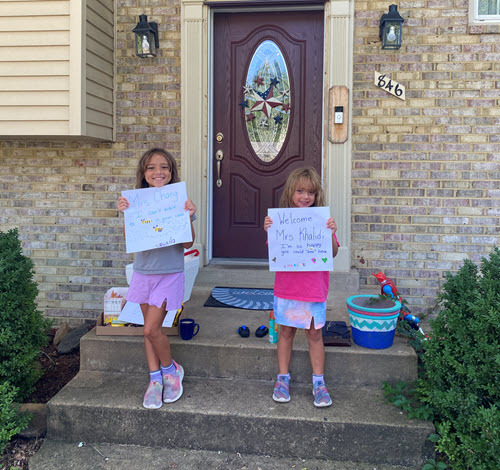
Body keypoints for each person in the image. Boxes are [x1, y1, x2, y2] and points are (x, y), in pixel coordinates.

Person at [117, 148, 197, 409]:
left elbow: (187, 243)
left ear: (171, 173)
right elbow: (134, 238)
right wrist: (126, 213)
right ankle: (154, 379)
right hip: (143, 272)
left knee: (153, 328)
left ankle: (171, 369)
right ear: (143, 173)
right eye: (151, 167)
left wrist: (187, 216)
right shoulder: (135, 202)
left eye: (164, 167)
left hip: (169, 274)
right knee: (146, 331)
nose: (158, 172)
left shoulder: (179, 202)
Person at [264, 167, 339, 407]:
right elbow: (275, 250)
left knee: (315, 334)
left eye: (311, 192)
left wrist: (330, 234)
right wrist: (270, 229)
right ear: (290, 192)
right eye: (300, 191)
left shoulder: (322, 221)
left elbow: (334, 253)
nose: (305, 197)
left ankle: (318, 382)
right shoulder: (281, 220)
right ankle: (282, 378)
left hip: (313, 289)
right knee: (285, 333)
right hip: (286, 289)